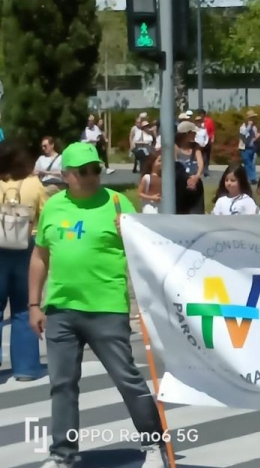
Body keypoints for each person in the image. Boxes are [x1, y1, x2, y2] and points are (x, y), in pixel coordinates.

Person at [28, 142, 167, 468]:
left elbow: (148, 252)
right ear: (66, 175)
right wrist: (34, 303)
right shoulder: (53, 207)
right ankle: (62, 454)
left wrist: (130, 233)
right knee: (62, 385)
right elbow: (40, 256)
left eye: (96, 170)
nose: (91, 176)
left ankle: (154, 444)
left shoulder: (117, 202)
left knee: (127, 379)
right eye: (83, 171)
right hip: (61, 308)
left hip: (107, 308)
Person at [0, 141, 48, 381]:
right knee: (23, 307)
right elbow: (46, 214)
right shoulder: (34, 184)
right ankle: (26, 367)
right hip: (26, 249)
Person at [174, 122, 206, 215]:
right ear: (186, 134)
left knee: (197, 211)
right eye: (193, 133)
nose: (195, 135)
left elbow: (200, 163)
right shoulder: (175, 147)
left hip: (195, 181)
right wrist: (187, 179)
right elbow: (175, 165)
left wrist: (197, 176)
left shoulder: (196, 146)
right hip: (181, 183)